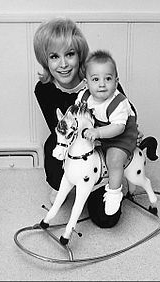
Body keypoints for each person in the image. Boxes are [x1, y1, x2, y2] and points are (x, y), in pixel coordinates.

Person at [33, 18, 141, 228]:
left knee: (106, 219)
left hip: (107, 143)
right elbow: (60, 130)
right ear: (45, 60)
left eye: (70, 54)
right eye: (54, 57)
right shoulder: (44, 89)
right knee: (55, 153)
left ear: (79, 54)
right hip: (72, 142)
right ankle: (64, 183)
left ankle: (113, 183)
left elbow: (127, 110)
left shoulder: (98, 78)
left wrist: (123, 133)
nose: (63, 64)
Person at [76, 50, 138, 216]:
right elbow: (78, 114)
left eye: (108, 79)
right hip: (99, 134)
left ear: (116, 82)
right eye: (95, 79)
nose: (102, 84)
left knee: (114, 159)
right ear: (86, 82)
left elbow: (118, 128)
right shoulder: (84, 96)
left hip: (121, 137)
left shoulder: (119, 102)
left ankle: (114, 192)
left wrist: (97, 132)